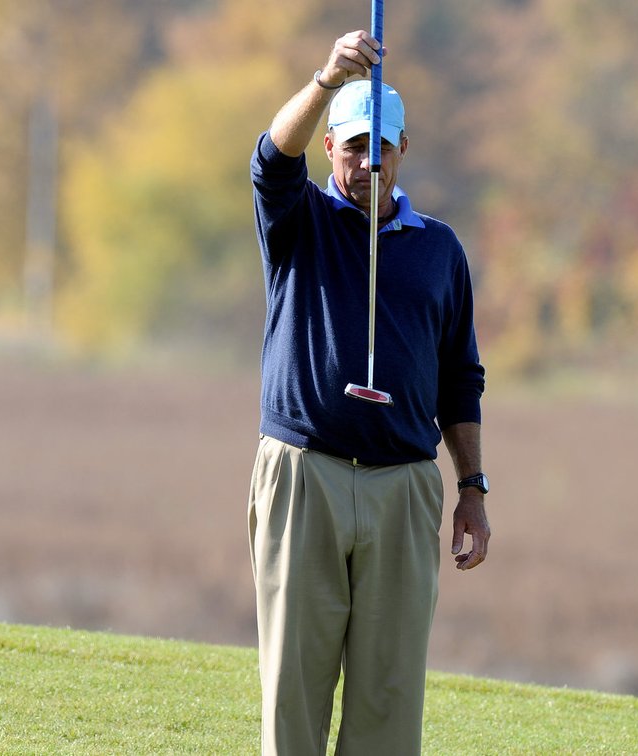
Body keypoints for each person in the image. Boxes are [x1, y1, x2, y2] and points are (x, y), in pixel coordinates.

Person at [246, 29, 491, 755]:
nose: (368, 161)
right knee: (295, 691)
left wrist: (472, 487)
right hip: (306, 476)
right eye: (353, 147)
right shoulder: (300, 221)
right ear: (331, 150)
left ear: (403, 148)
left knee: (389, 703)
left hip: (405, 486)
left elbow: (461, 376)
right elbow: (268, 158)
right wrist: (325, 79)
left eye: (380, 147)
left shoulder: (440, 249)